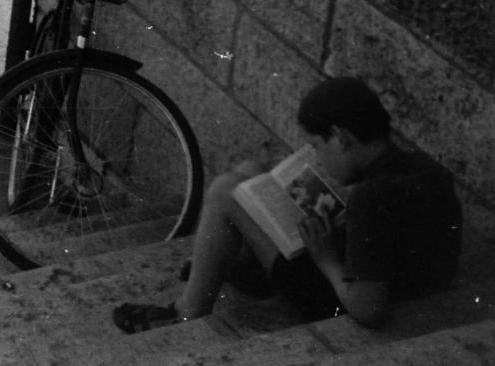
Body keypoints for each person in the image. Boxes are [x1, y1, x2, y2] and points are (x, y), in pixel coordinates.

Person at [113, 76, 462, 334]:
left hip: (336, 299)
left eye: (317, 146)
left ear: (341, 138)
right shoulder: (424, 167)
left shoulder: (371, 198)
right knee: (251, 172)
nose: (317, 158)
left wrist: (326, 258)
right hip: (399, 277)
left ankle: (187, 310)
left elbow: (368, 309)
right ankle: (246, 267)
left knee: (225, 191)